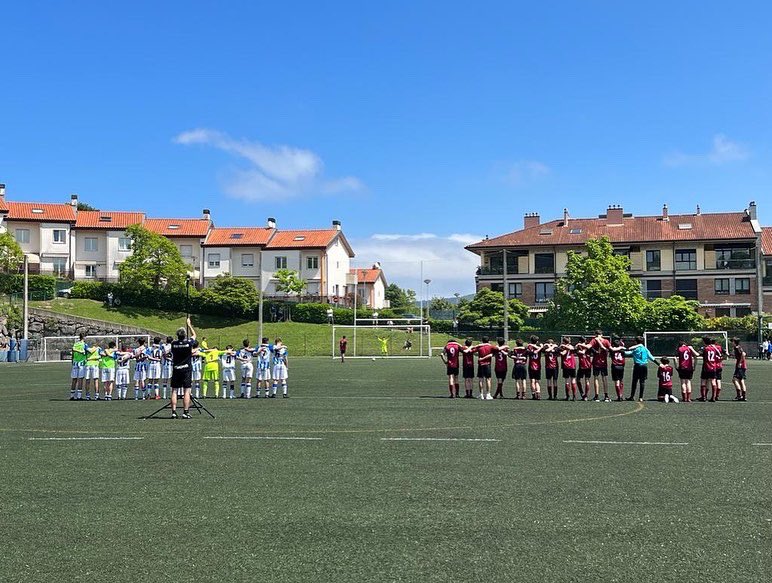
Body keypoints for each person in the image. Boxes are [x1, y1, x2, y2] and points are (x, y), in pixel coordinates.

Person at [170, 317, 198, 419]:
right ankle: (185, 412)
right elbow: (194, 335)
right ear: (185, 335)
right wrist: (189, 324)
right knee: (187, 390)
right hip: (186, 369)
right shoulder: (188, 343)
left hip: (176, 368)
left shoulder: (173, 344)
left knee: (174, 391)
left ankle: (173, 411)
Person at [623, 337, 658, 402]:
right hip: (644, 366)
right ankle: (641, 397)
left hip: (637, 366)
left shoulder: (636, 349)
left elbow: (627, 353)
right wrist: (658, 364)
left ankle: (632, 396)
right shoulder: (645, 349)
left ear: (636, 342)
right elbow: (651, 357)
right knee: (642, 382)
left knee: (634, 382)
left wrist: (620, 350)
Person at [590, 330, 611, 402]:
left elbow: (589, 346)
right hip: (603, 362)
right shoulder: (606, 341)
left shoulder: (594, 340)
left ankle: (597, 396)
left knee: (596, 378)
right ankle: (606, 396)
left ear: (596, 334)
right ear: (602, 334)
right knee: (604, 378)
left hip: (596, 362)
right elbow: (610, 349)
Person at [698, 336, 722, 402]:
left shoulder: (705, 348)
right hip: (713, 367)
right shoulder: (714, 348)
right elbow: (720, 355)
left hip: (706, 367)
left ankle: (703, 397)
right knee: (713, 381)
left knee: (703, 381)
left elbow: (698, 354)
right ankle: (713, 397)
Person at [608, 335, 626, 402]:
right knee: (621, 380)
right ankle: (621, 394)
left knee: (617, 382)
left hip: (615, 366)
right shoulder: (622, 350)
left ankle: (619, 396)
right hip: (621, 366)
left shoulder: (612, 350)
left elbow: (609, 348)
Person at [70, 333, 88, 400]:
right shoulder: (84, 345)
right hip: (81, 363)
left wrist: (72, 360)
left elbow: (73, 353)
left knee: (74, 379)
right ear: (83, 338)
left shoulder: (75, 344)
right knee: (80, 379)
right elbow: (87, 353)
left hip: (75, 363)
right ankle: (79, 396)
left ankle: (72, 396)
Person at [559, 337, 578, 401]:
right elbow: (572, 349)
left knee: (567, 381)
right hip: (572, 365)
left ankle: (568, 396)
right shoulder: (571, 346)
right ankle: (574, 396)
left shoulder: (563, 347)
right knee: (573, 380)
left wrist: (560, 348)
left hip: (566, 365)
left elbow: (563, 353)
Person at [526, 335, 544, 400]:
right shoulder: (539, 347)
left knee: (532, 381)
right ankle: (538, 394)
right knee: (537, 381)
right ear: (536, 341)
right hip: (538, 366)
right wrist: (541, 347)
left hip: (531, 365)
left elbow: (531, 352)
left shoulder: (529, 346)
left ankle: (534, 394)